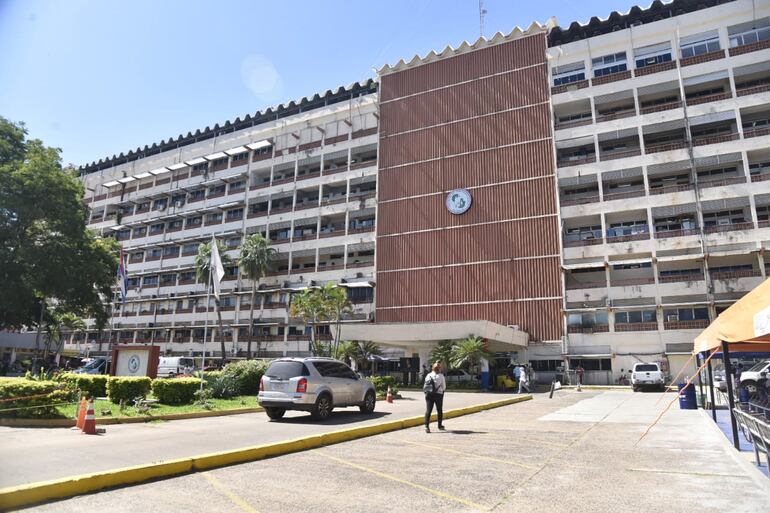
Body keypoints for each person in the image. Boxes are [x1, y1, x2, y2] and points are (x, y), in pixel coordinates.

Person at [423, 361, 446, 433]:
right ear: (439, 369)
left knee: (428, 410)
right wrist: (441, 390)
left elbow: (425, 385)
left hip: (429, 395)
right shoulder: (441, 376)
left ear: (432, 368)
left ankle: (426, 426)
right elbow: (444, 387)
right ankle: (440, 425)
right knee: (439, 410)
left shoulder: (428, 375)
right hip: (438, 395)